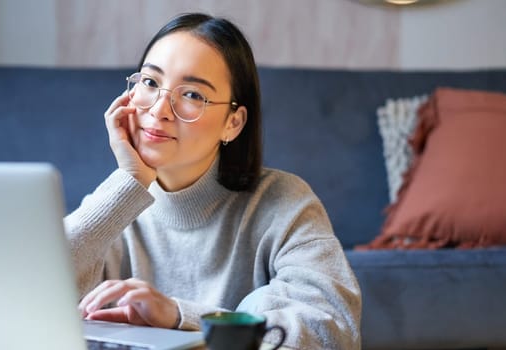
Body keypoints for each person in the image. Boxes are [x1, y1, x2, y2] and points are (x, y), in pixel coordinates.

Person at [64, 13, 361, 349]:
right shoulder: (113, 208)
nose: (159, 108)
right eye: (149, 82)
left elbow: (333, 331)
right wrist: (129, 181)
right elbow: (24, 297)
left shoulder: (285, 202)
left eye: (192, 94)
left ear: (233, 123)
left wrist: (180, 315)